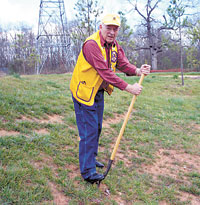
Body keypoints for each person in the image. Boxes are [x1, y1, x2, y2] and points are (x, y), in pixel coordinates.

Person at [70, 13, 151, 184]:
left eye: (115, 29)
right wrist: (129, 87)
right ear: (101, 28)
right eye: (109, 28)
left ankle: (90, 160)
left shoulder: (114, 45)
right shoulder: (92, 45)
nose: (112, 32)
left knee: (97, 127)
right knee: (89, 131)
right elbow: (105, 72)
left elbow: (122, 63)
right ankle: (88, 172)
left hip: (97, 91)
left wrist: (137, 70)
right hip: (83, 92)